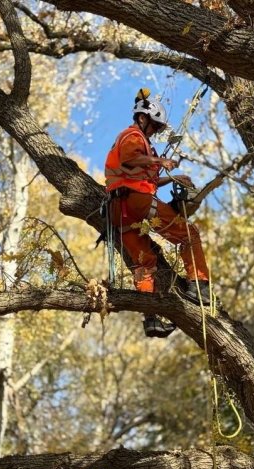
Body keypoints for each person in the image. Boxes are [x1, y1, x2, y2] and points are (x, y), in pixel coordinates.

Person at [104, 89, 211, 338]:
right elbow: (131, 160)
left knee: (145, 263)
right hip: (136, 202)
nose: (155, 132)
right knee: (189, 234)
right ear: (143, 119)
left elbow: (138, 174)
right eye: (154, 126)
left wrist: (171, 177)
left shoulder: (142, 148)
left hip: (118, 211)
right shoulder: (132, 136)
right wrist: (160, 163)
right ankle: (199, 286)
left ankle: (150, 318)